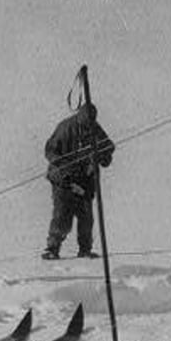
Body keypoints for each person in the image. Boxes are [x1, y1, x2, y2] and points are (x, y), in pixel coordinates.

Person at [42, 102, 115, 259]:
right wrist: (63, 165)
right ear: (79, 117)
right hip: (63, 179)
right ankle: (52, 248)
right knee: (62, 214)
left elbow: (108, 148)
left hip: (84, 179)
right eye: (86, 124)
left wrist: (101, 156)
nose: (89, 127)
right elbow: (49, 150)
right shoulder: (65, 127)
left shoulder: (95, 129)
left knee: (86, 215)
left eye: (91, 123)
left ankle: (85, 249)